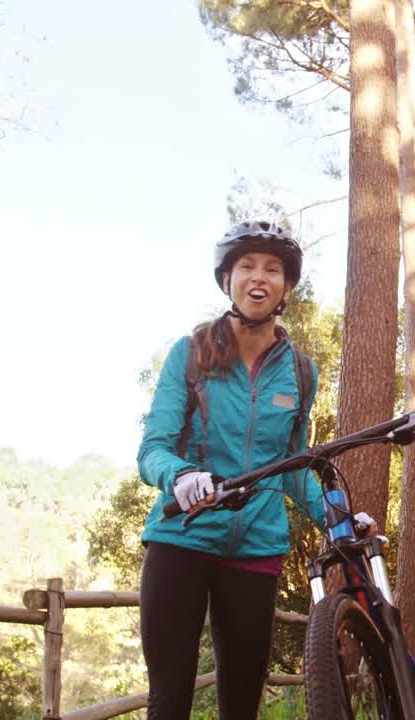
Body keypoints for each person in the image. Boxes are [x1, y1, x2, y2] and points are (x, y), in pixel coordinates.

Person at [136, 220, 325, 719]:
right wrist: (180, 475)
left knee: (241, 705)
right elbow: (152, 448)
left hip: (257, 547)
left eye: (272, 268)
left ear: (286, 287)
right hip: (182, 538)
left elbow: (292, 465)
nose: (258, 276)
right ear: (227, 280)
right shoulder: (191, 354)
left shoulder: (301, 372)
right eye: (246, 266)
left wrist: (340, 517)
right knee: (170, 699)